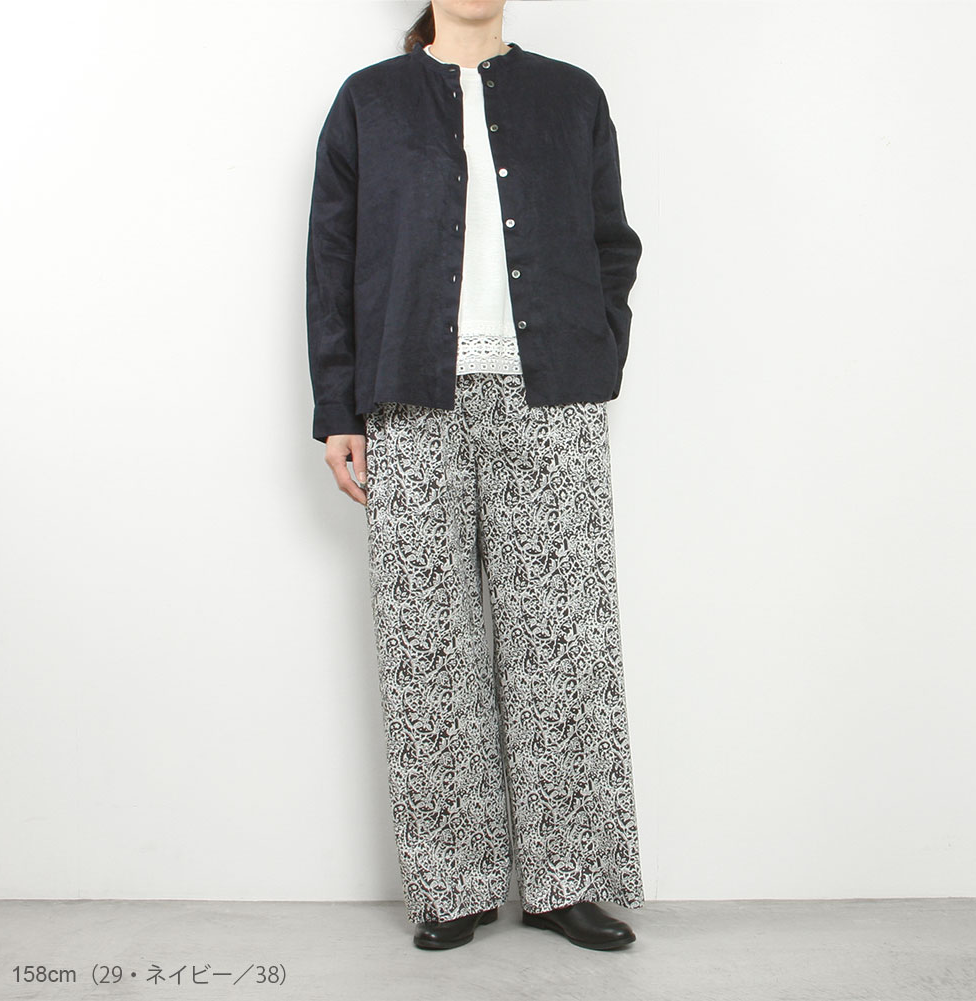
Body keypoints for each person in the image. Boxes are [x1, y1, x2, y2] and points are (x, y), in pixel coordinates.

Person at [305, 0, 644, 951]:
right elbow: (331, 259)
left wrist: (595, 352)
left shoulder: (570, 96)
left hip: (551, 398)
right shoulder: (369, 101)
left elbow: (612, 243)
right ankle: (451, 884)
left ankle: (566, 880)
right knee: (427, 644)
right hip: (409, 396)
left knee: (561, 644)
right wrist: (338, 408)